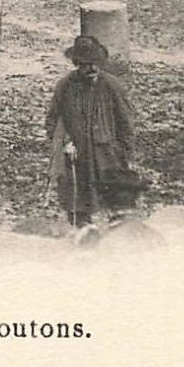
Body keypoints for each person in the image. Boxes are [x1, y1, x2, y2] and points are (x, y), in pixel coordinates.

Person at [46, 35, 139, 227]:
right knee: (77, 201)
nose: (93, 69)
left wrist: (126, 151)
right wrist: (64, 142)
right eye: (87, 64)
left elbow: (126, 121)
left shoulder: (112, 86)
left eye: (96, 64)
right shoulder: (65, 86)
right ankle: (83, 231)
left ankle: (118, 232)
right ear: (77, 64)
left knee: (115, 200)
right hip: (77, 155)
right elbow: (53, 119)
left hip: (106, 153)